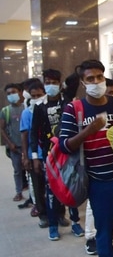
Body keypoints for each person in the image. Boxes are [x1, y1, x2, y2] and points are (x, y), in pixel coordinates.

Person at [58, 59, 113, 257]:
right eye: (91, 79)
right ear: (82, 82)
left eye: (100, 77)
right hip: (100, 182)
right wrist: (89, 131)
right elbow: (64, 145)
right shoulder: (74, 108)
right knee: (105, 233)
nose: (97, 82)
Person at [30, 68, 83, 241]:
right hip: (49, 155)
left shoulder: (67, 101)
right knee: (51, 190)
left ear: (59, 84)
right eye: (47, 82)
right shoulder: (39, 106)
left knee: (72, 187)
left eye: (54, 82)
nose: (50, 85)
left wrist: (77, 71)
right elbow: (33, 132)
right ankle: (53, 225)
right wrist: (34, 157)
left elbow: (74, 80)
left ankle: (75, 222)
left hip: (69, 153)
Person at [20, 80, 49, 228]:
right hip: (34, 156)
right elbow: (25, 135)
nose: (36, 98)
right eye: (33, 96)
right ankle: (43, 215)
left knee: (55, 187)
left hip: (50, 154)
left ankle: (58, 214)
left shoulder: (49, 109)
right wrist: (26, 156)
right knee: (38, 187)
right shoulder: (27, 112)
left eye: (39, 95)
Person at [1, 83, 26, 202]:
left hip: (26, 146)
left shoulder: (26, 107)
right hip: (14, 146)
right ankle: (19, 192)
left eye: (13, 92)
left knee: (30, 170)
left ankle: (33, 195)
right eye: (8, 94)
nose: (11, 95)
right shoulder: (5, 111)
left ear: (20, 92)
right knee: (17, 170)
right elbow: (1, 128)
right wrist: (9, 144)